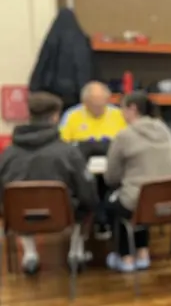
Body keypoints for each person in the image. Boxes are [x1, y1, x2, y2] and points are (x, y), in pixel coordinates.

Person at [0, 92, 99, 274]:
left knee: (20, 202)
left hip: (20, 216)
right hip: (62, 214)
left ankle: (30, 255)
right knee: (86, 203)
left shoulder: (7, 154)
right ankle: (76, 252)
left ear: (29, 115)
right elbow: (87, 191)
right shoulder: (69, 152)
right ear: (55, 117)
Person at [103, 91, 171, 272]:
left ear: (132, 109)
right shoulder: (166, 130)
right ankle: (143, 253)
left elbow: (111, 177)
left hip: (140, 201)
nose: (121, 113)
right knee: (142, 196)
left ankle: (126, 257)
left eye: (122, 108)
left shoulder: (124, 135)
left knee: (115, 202)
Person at [59, 81, 127, 239]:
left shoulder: (118, 114)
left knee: (110, 182)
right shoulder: (72, 115)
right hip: (82, 169)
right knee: (87, 185)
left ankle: (105, 220)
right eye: (94, 106)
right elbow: (63, 144)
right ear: (85, 103)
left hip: (112, 165)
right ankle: (95, 219)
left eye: (102, 104)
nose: (99, 109)